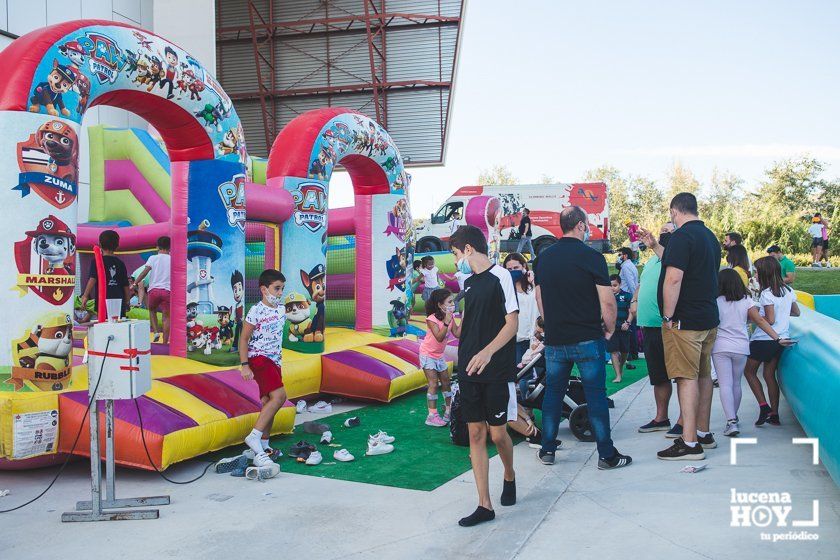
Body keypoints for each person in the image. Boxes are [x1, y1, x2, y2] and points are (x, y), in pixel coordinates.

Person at [534, 206, 632, 470]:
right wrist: (610, 328)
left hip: (556, 339)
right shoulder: (592, 257)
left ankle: (547, 449)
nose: (588, 230)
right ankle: (606, 455)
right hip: (588, 336)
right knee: (596, 396)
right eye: (587, 225)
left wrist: (551, 322)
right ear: (579, 225)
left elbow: (539, 297)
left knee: (553, 394)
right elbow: (607, 302)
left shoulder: (544, 258)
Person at [450, 225, 519, 527]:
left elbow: (511, 323)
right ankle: (484, 505)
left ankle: (509, 474)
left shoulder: (501, 276)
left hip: (495, 369)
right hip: (468, 369)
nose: (455, 262)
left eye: (455, 254)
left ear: (468, 249)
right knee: (475, 433)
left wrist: (488, 352)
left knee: (498, 433)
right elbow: (468, 323)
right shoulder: (466, 282)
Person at [657, 192, 721, 461]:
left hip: (685, 321)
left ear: (674, 211)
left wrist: (668, 316)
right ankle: (703, 433)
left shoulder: (682, 237)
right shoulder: (710, 236)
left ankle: (690, 442)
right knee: (703, 374)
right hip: (707, 318)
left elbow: (674, 279)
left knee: (686, 378)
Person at [713, 268, 791, 438]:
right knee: (736, 384)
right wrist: (777, 338)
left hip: (720, 346)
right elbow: (760, 321)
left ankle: (731, 421)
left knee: (725, 384)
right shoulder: (747, 300)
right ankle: (734, 417)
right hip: (741, 347)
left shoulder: (715, 301)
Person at [633, 225, 681, 435]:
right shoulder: (652, 259)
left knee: (681, 375)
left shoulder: (675, 258)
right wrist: (635, 299)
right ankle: (661, 418)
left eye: (669, 230)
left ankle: (684, 419)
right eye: (662, 229)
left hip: (671, 326)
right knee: (658, 376)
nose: (664, 232)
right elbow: (642, 284)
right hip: (651, 326)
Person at [239, 269, 288, 469]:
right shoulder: (256, 310)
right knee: (280, 397)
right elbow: (243, 338)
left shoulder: (282, 309)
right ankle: (254, 436)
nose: (279, 293)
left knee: (269, 401)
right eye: (276, 289)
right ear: (263, 289)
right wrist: (244, 365)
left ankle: (264, 445)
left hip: (275, 360)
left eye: (282, 289)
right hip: (259, 358)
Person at [743, 257, 800, 426]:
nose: (755, 275)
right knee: (769, 374)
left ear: (765, 273)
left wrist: (754, 317)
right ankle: (774, 414)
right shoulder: (788, 290)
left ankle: (764, 406)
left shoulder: (767, 294)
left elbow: (770, 319)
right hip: (782, 337)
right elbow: (796, 312)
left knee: (749, 372)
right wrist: (782, 311)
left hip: (764, 339)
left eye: (757, 272)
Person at [419, 288, 460, 427]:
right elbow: (439, 337)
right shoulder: (431, 319)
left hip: (439, 355)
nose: (452, 304)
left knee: (446, 382)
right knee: (434, 384)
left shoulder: (451, 317)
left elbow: (457, 333)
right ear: (440, 305)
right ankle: (432, 415)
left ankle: (448, 410)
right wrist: (447, 322)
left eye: (453, 301)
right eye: (449, 301)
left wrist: (465, 317)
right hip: (428, 354)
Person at [80, 230, 130, 317]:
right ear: (117, 245)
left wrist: (85, 296)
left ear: (100, 244)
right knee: (119, 325)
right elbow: (125, 285)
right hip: (119, 300)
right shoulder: (120, 263)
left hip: (103, 300)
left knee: (104, 324)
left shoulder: (97, 261)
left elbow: (92, 279)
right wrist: (127, 301)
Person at [134, 236, 171, 343]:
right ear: (170, 247)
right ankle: (165, 343)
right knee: (166, 317)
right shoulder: (172, 259)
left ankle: (156, 332)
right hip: (167, 291)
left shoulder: (153, 258)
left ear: (157, 247)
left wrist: (135, 282)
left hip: (154, 290)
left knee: (152, 310)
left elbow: (145, 272)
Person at [504, 254, 537, 366]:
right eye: (509, 269)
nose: (513, 271)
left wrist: (533, 281)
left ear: (523, 266)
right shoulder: (506, 289)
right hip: (518, 339)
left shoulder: (533, 284)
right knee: (522, 375)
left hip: (536, 338)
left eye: (516, 268)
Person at [607, 274, 634, 384]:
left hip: (624, 328)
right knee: (613, 351)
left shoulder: (627, 296)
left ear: (620, 284)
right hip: (611, 329)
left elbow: (631, 311)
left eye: (615, 285)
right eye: (610, 286)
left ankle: (621, 367)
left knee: (624, 351)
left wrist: (627, 323)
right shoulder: (606, 297)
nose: (612, 288)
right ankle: (618, 375)